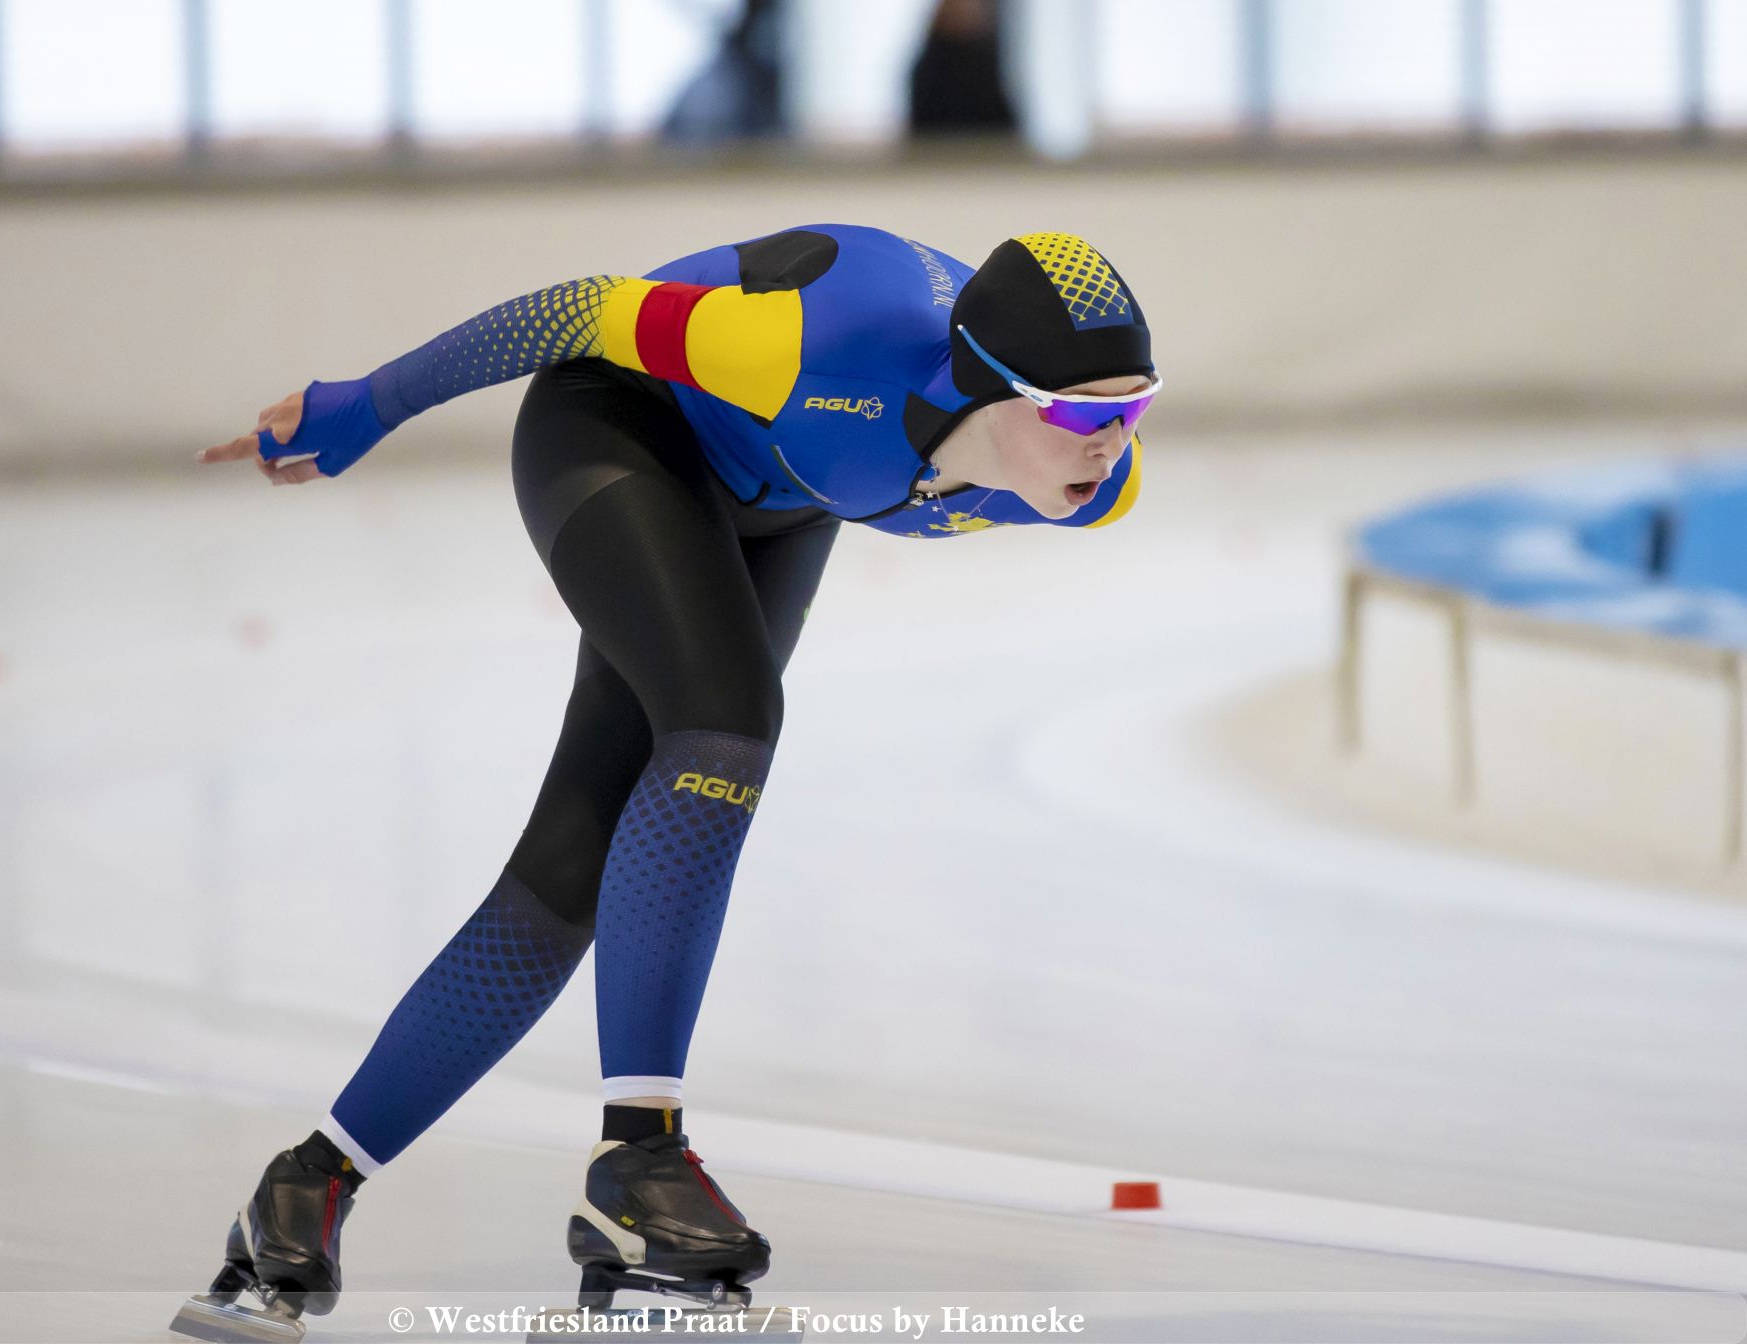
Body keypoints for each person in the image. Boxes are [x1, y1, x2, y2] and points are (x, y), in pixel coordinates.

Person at [172, 225, 1159, 1339]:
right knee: (725, 720)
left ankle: (308, 1185)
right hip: (616, 424)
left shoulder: (1086, 481)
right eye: (1083, 414)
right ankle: (639, 1159)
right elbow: (580, 310)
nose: (1113, 443)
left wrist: (1088, 424)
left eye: (1137, 407)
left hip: (775, 503)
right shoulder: (810, 350)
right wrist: (369, 404)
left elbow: (993, 454)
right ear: (990, 386)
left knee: (578, 860)